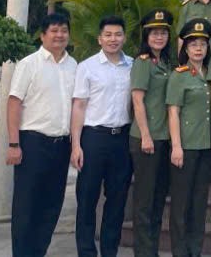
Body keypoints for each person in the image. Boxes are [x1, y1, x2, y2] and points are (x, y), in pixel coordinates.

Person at [7, 12, 77, 257]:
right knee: (27, 205)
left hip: (62, 145)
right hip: (33, 143)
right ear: (42, 35)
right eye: (54, 30)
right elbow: (14, 103)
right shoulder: (29, 64)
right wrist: (13, 144)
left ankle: (39, 252)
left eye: (64, 30)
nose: (59, 35)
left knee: (52, 204)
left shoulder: (74, 65)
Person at [71, 15, 133, 257]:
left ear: (124, 37)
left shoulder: (133, 65)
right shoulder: (87, 67)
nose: (113, 39)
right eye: (108, 35)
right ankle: (86, 251)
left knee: (117, 201)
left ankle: (109, 251)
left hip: (122, 139)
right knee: (87, 199)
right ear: (99, 39)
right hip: (94, 138)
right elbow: (79, 106)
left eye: (118, 34)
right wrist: (76, 145)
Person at [168, 18, 211, 257]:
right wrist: (176, 146)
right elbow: (173, 112)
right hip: (186, 146)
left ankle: (195, 249)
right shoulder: (179, 75)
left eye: (202, 44)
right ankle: (180, 251)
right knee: (181, 203)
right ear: (185, 49)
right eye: (193, 44)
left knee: (199, 201)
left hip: (206, 145)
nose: (198, 48)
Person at [129, 9, 175, 257]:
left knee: (158, 199)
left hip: (164, 138)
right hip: (146, 139)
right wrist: (146, 135)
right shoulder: (143, 63)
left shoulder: (167, 63)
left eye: (163, 33)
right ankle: (143, 252)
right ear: (146, 36)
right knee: (144, 201)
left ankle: (152, 249)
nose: (159, 37)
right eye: (154, 33)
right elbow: (138, 101)